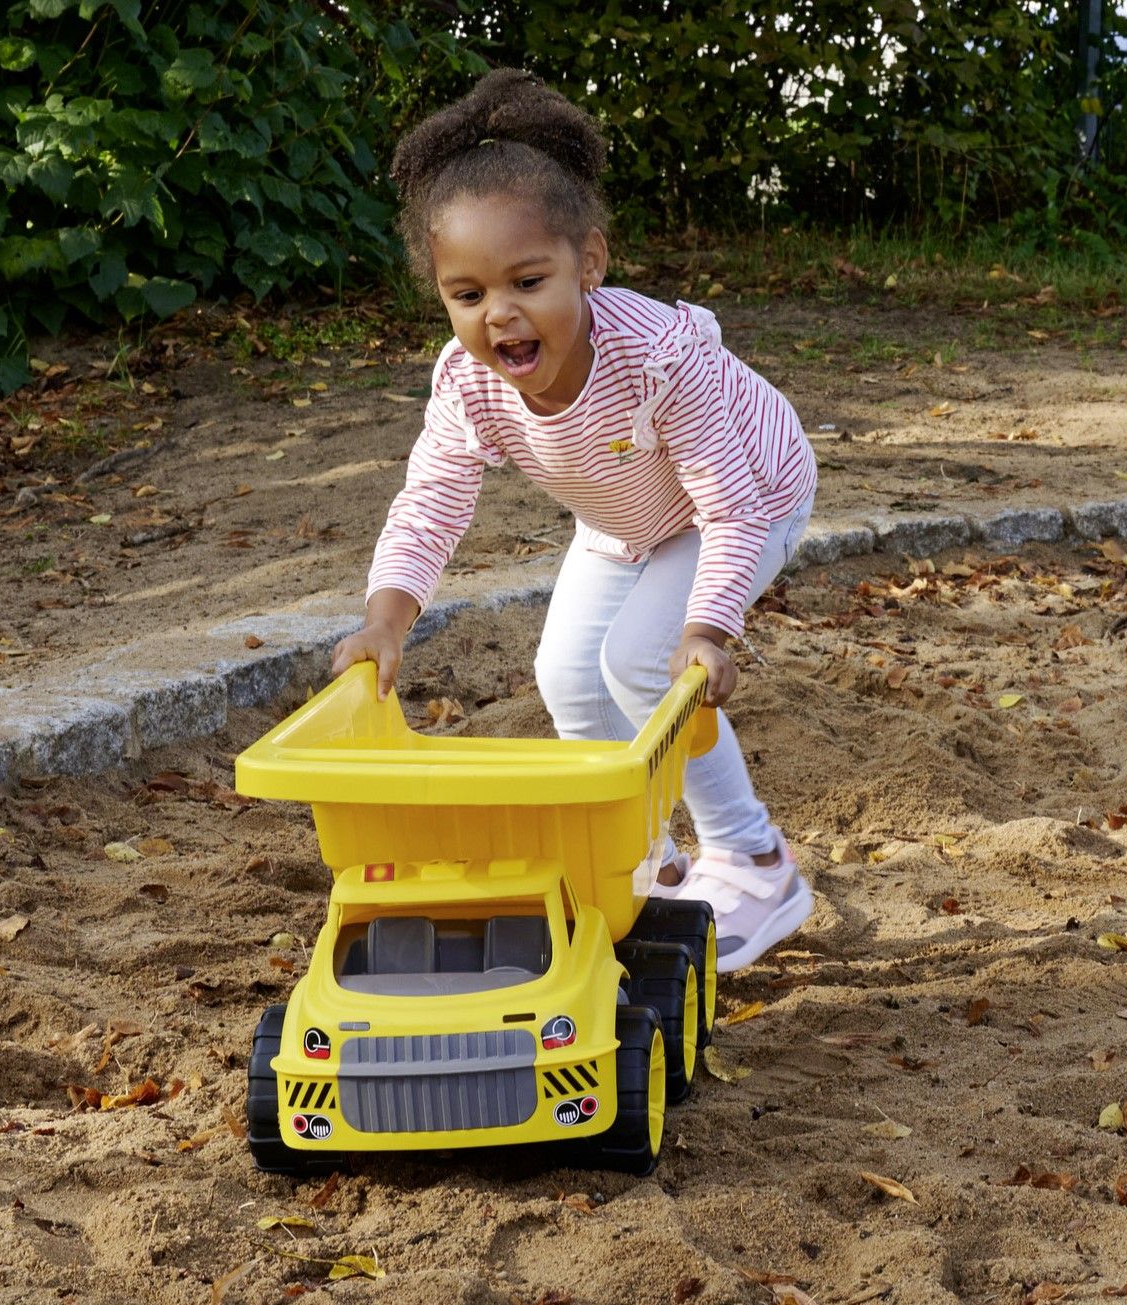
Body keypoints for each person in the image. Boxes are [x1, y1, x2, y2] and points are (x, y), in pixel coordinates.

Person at [330, 69, 817, 972]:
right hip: (624, 512)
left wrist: (709, 627)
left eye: (527, 280)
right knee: (567, 673)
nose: (499, 314)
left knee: (642, 655)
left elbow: (729, 499)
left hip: (750, 490)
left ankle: (755, 862)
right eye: (466, 294)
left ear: (587, 263)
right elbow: (433, 496)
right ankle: (639, 862)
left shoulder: (660, 358)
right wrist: (385, 617)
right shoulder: (469, 378)